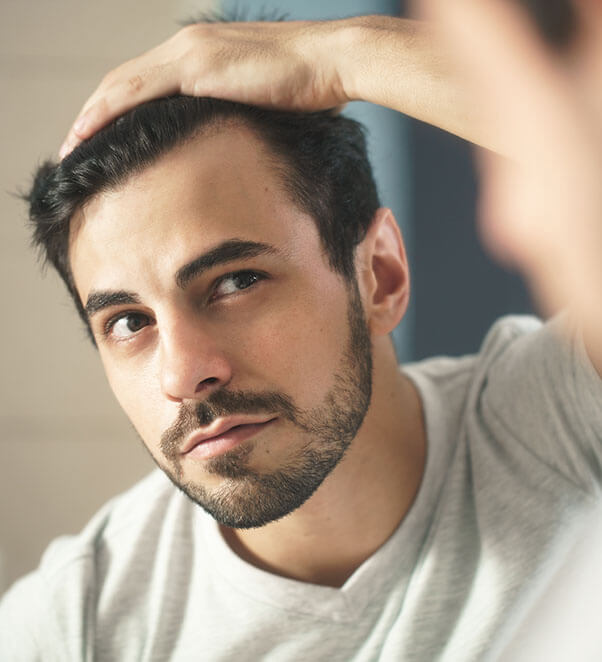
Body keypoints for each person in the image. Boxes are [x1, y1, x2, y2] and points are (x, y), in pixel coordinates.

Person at [2, 2, 601, 660]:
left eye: (235, 282)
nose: (183, 374)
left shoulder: (564, 422)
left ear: (381, 275)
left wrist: (336, 56)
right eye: (128, 322)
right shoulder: (73, 628)